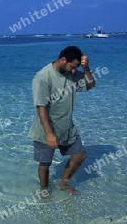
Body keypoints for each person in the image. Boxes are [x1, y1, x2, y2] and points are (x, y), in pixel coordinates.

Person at [30, 46, 96, 196]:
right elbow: (41, 107)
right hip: (45, 128)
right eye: (72, 67)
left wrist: (86, 69)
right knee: (45, 163)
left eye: (76, 68)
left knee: (80, 154)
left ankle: (63, 183)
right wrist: (49, 134)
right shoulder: (43, 77)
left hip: (66, 126)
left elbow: (91, 85)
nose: (74, 71)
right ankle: (44, 190)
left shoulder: (71, 73)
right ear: (63, 60)